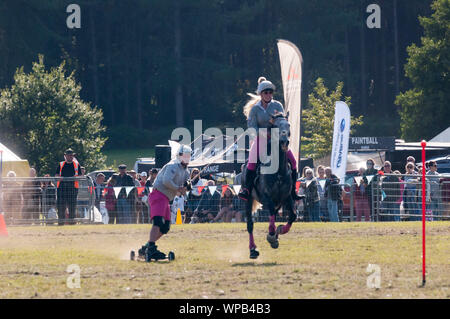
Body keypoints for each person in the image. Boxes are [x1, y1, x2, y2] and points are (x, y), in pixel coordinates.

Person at [238, 77, 301, 202]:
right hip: (261, 139)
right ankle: (247, 189)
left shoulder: (277, 105)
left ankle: (293, 190)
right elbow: (251, 127)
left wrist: (276, 126)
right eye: (266, 92)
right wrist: (264, 132)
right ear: (261, 94)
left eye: (270, 92)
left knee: (293, 162)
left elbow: (283, 121)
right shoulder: (255, 109)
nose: (268, 94)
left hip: (277, 139)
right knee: (251, 162)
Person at [139, 144, 191, 261]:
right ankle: (151, 248)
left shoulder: (186, 171)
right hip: (158, 195)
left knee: (165, 227)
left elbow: (185, 186)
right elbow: (166, 181)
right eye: (185, 156)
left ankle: (146, 247)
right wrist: (178, 188)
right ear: (180, 156)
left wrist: (186, 188)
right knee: (158, 221)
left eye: (188, 156)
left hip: (166, 199)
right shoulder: (172, 165)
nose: (186, 158)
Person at [55, 148, 82, 225]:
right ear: (65, 156)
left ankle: (72, 223)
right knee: (61, 207)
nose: (70, 157)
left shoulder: (76, 164)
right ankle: (61, 223)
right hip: (61, 188)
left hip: (73, 188)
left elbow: (80, 176)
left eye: (71, 155)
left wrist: (75, 178)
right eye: (69, 155)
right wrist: (60, 178)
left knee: (72, 207)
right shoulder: (61, 164)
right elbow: (56, 175)